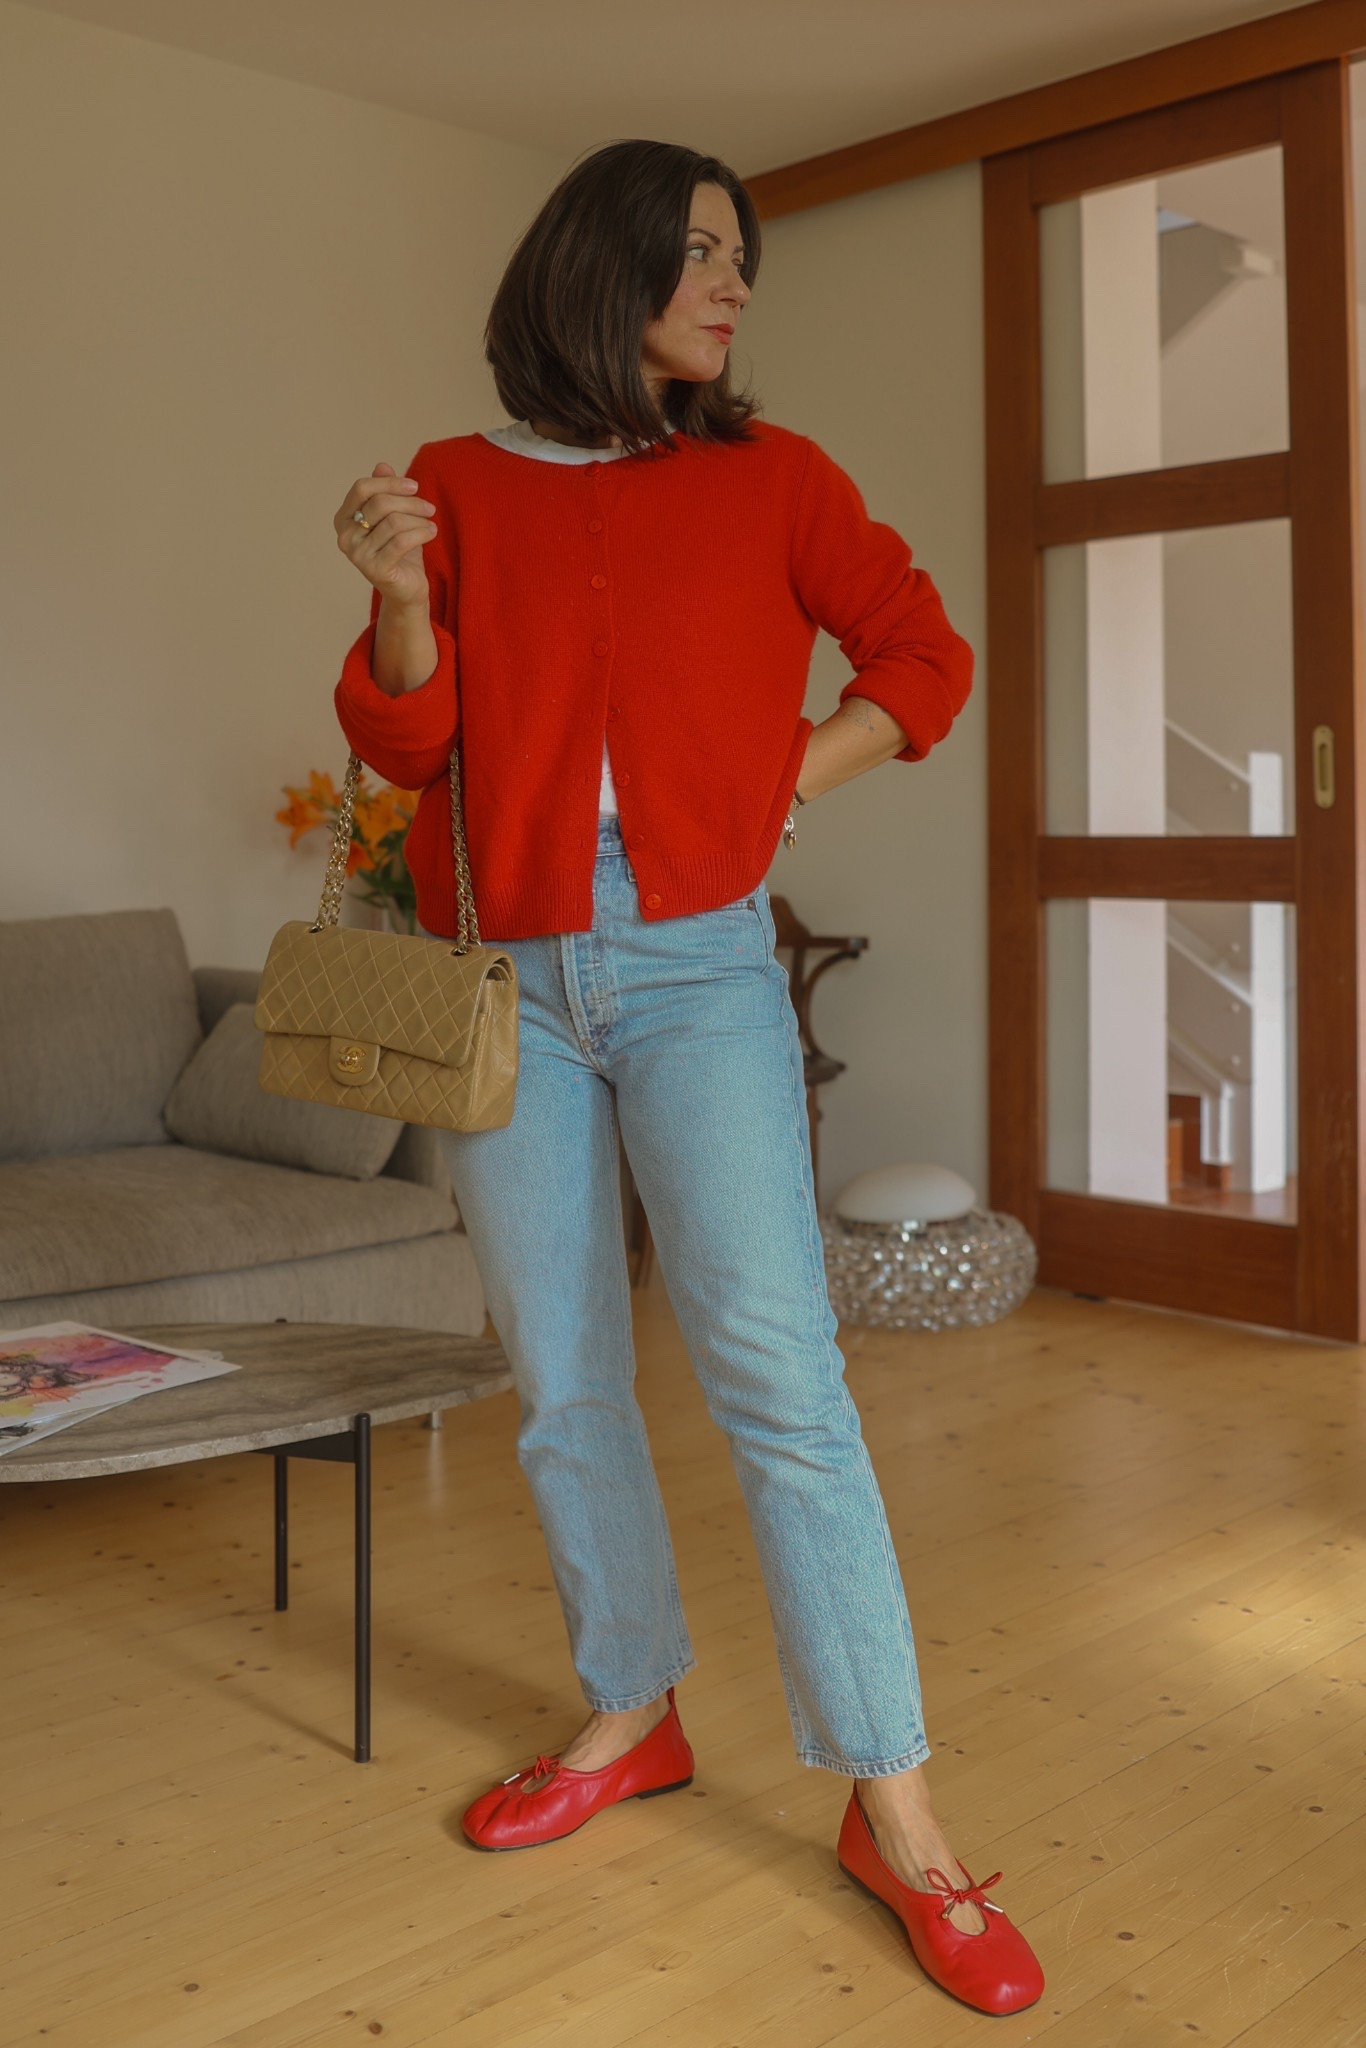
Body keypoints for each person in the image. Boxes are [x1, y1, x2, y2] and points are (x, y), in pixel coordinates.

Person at [331, 138, 1043, 2019]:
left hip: (695, 965)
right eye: (703, 253)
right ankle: (630, 1708)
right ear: (606, 264)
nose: (732, 287)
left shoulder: (772, 476)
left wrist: (768, 782)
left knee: (778, 1381)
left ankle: (896, 1811)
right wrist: (399, 596)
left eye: (743, 259)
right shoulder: (458, 483)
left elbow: (923, 653)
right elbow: (406, 744)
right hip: (508, 971)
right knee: (562, 1377)